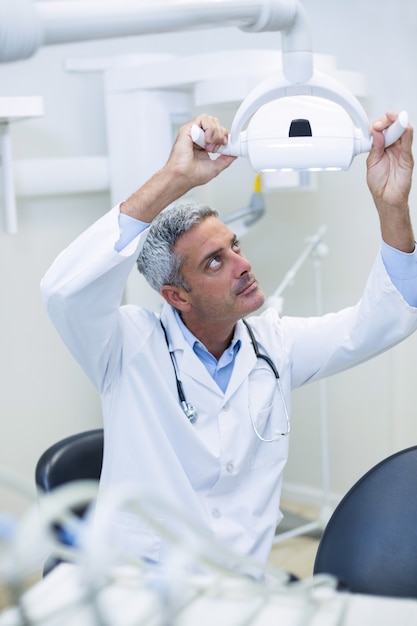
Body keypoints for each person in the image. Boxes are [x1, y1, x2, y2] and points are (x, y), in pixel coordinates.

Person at [41, 111, 417, 573]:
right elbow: (65, 290)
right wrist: (176, 177)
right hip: (141, 589)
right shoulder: (125, 346)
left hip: (241, 589)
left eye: (234, 246)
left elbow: (385, 318)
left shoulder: (274, 346)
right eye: (215, 262)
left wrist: (392, 203)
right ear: (176, 295)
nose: (243, 264)